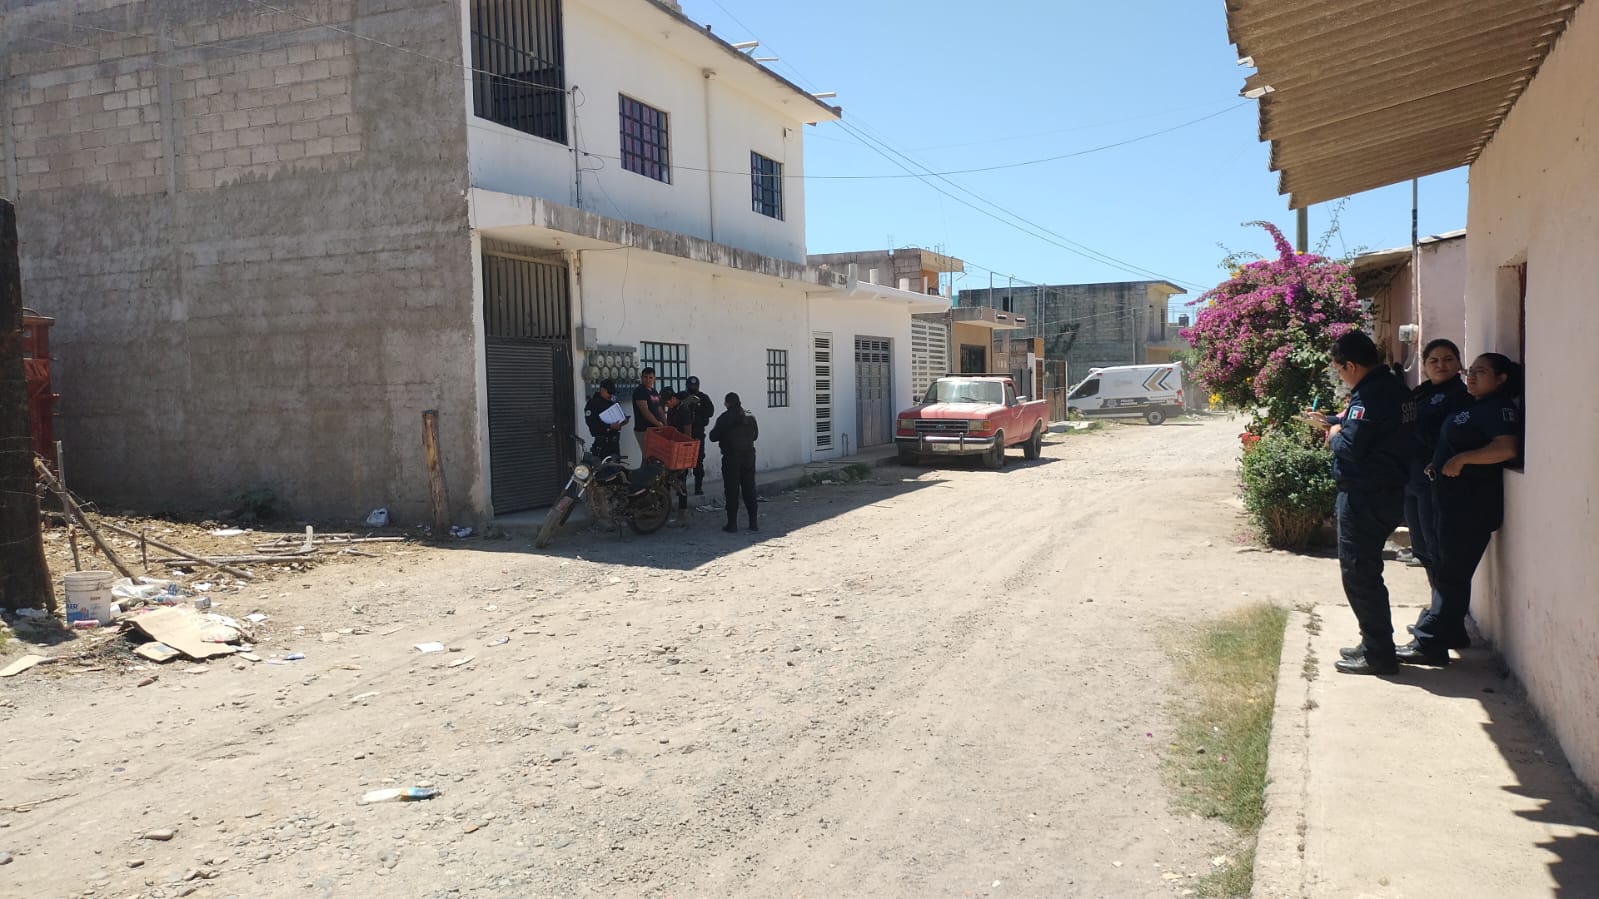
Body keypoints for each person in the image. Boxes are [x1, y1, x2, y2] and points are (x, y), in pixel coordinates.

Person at [1399, 353, 1522, 666]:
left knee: (1451, 575)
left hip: (1471, 506)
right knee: (1448, 571)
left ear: (1501, 379)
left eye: (1481, 371)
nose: (1472, 376)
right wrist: (1437, 463)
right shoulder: (1474, 404)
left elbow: (1506, 447)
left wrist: (1462, 459)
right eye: (1472, 370)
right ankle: (1450, 632)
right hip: (1450, 502)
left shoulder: (1499, 407)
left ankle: (1429, 642)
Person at [1307, 331, 1415, 675]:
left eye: (1339, 369)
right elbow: (1377, 431)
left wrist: (1334, 434)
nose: (1339, 375)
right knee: (1366, 571)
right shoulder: (1393, 387)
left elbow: (1352, 447)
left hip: (1366, 495)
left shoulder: (1369, 396)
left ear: (1351, 365)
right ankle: (1373, 643)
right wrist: (1339, 420)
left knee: (1360, 573)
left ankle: (1379, 654)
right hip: (1387, 490)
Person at [1403, 340, 1471, 585]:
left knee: (1436, 546)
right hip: (1411, 480)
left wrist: (1413, 426)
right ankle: (1436, 606)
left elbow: (1449, 437)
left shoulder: (1460, 396)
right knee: (1420, 547)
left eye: (1448, 359)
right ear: (1424, 366)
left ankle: (1444, 613)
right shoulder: (1420, 393)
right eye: (1434, 360)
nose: (1441, 365)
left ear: (1459, 364)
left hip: (1435, 481)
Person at [708, 391, 759, 533]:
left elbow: (713, 436)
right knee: (750, 489)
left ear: (727, 403)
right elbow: (755, 435)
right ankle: (753, 523)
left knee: (732, 491)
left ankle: (732, 524)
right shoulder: (750, 416)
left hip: (732, 458)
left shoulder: (724, 418)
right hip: (749, 457)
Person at [664, 390, 701, 525]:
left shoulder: (683, 410)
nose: (667, 406)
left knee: (681, 483)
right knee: (668, 481)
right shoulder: (673, 409)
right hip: (672, 449)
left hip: (681, 450)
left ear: (673, 398)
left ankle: (683, 514)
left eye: (668, 402)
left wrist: (685, 448)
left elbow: (688, 432)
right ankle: (666, 512)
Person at [683, 376, 714, 495]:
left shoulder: (703, 397)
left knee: (698, 460)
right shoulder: (684, 397)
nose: (692, 389)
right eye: (690, 387)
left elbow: (710, 412)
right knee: (683, 462)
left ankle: (698, 487)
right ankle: (682, 487)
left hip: (698, 433)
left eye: (694, 387)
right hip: (685, 434)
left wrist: (699, 406)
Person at [582, 379, 628, 459]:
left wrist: (623, 421)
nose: (611, 395)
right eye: (609, 392)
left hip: (614, 443)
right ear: (602, 390)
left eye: (612, 393)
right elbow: (592, 423)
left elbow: (620, 415)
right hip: (602, 443)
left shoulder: (613, 401)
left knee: (616, 469)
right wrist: (609, 426)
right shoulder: (593, 403)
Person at [632, 367, 665, 447]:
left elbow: (660, 409)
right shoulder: (640, 391)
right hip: (644, 430)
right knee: (647, 456)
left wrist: (666, 425)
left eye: (650, 377)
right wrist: (659, 424)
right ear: (641, 378)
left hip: (655, 429)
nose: (648, 380)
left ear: (654, 379)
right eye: (645, 377)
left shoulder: (654, 391)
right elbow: (645, 412)